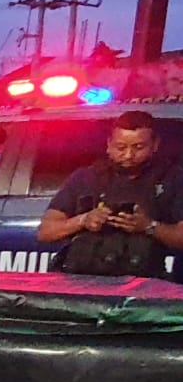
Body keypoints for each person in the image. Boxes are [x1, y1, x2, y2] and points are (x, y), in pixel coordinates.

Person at [37, 110, 183, 277]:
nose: (128, 155)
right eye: (121, 147)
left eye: (138, 147)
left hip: (140, 285)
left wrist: (148, 227)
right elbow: (45, 232)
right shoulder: (85, 177)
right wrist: (84, 220)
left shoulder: (173, 179)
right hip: (80, 282)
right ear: (109, 145)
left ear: (155, 145)